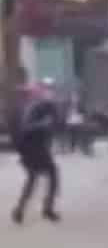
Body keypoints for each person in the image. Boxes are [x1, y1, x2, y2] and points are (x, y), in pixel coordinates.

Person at [11, 87, 62, 224]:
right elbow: (27, 127)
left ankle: (20, 210)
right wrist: (44, 124)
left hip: (30, 149)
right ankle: (46, 208)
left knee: (33, 178)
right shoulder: (33, 108)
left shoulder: (29, 107)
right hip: (33, 148)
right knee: (51, 174)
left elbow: (57, 123)